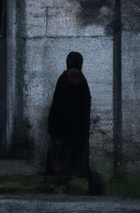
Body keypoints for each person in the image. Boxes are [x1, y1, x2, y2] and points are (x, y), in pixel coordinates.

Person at [45, 51, 101, 191]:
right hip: (77, 132)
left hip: (61, 129)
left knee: (58, 158)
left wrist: (52, 126)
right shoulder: (82, 83)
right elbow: (85, 108)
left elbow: (56, 105)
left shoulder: (63, 80)